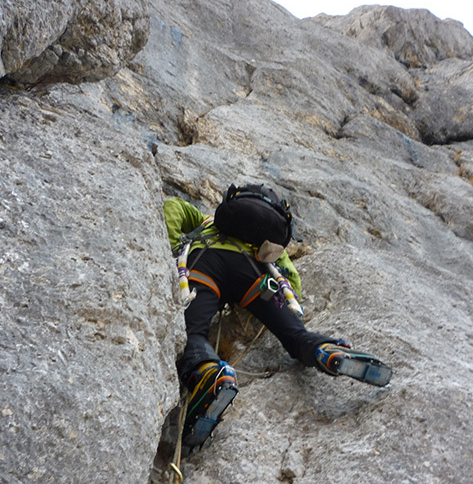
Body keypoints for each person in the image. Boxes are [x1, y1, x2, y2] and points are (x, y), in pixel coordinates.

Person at [163, 184, 391, 450]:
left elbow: (172, 207)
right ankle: (326, 351)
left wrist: (172, 247)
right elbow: (290, 277)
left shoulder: (206, 221)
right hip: (254, 275)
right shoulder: (263, 247)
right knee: (296, 336)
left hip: (206, 262)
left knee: (194, 334)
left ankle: (210, 374)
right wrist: (285, 302)